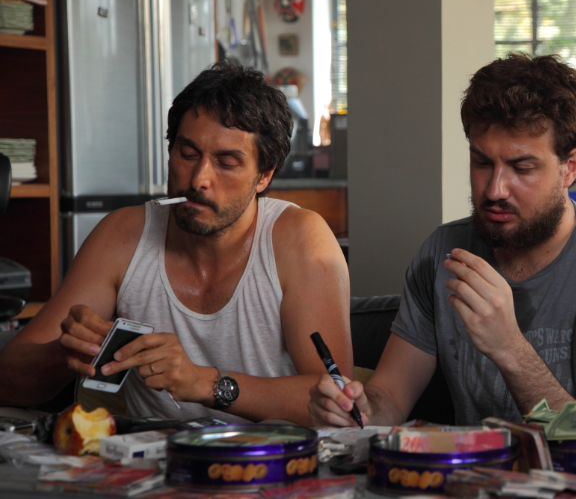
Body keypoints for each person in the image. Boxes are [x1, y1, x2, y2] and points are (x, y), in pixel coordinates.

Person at [309, 54, 576, 427]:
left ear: (571, 168)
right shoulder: (442, 252)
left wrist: (510, 348)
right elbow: (390, 399)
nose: (495, 189)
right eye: (482, 163)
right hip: (465, 463)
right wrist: (357, 410)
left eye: (522, 168)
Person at [0, 64, 352, 426]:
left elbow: (339, 403)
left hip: (269, 457)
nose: (199, 179)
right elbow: (7, 382)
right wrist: (66, 353)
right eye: (187, 154)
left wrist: (204, 383)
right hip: (143, 458)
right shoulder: (122, 236)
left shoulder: (301, 241)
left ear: (264, 176)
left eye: (226, 163)